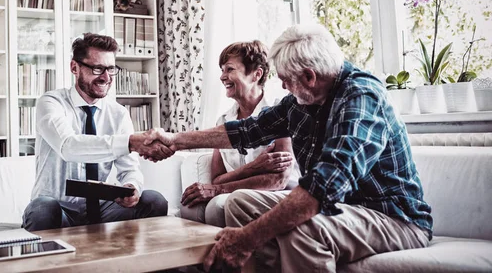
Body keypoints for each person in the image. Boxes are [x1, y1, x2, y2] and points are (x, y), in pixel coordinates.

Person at [136, 24, 432, 272]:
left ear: (309, 77)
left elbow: (323, 188)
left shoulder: (361, 97)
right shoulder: (304, 101)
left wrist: (247, 238)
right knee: (240, 204)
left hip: (393, 218)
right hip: (343, 211)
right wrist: (176, 141)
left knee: (303, 228)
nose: (284, 87)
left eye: (286, 80)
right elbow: (247, 130)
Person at [22, 33, 172, 231]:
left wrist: (131, 186)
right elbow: (69, 147)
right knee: (42, 208)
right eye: (97, 68)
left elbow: (129, 169)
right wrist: (130, 142)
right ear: (74, 68)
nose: (106, 77)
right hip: (58, 207)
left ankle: (125, 260)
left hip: (103, 209)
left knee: (154, 200)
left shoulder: (118, 113)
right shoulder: (51, 103)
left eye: (110, 69)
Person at [181, 40, 300, 227]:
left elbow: (279, 180)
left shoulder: (279, 113)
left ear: (256, 74)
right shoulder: (223, 122)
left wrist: (219, 189)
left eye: (229, 69)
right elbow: (217, 178)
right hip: (237, 191)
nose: (222, 76)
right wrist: (254, 167)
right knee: (189, 207)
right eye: (222, 70)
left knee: (218, 205)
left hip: (278, 191)